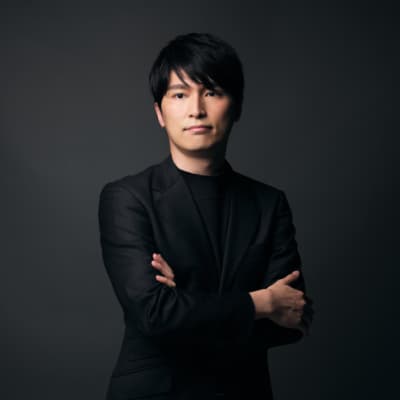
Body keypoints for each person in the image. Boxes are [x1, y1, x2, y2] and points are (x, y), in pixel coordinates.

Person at [98, 32, 313, 400]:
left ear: (237, 106)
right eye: (180, 95)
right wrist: (260, 303)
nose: (196, 109)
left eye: (212, 92)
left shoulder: (269, 203)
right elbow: (153, 313)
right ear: (159, 112)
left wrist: (184, 303)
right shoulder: (127, 198)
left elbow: (292, 318)